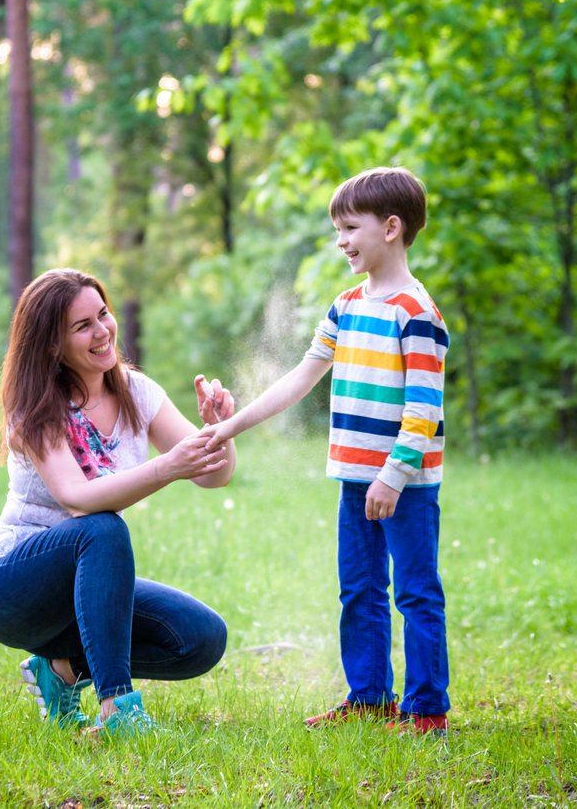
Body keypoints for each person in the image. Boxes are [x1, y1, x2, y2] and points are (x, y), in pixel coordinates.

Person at [203, 167, 451, 735]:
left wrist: (393, 475)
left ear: (391, 228)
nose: (341, 241)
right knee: (359, 589)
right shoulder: (346, 305)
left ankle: (426, 711)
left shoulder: (417, 313)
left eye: (349, 228)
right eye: (338, 229)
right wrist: (231, 426)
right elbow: (301, 377)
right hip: (354, 478)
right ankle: (369, 698)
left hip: (404, 485)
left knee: (416, 592)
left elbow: (424, 408)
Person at [0, 268, 237, 737]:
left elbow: (214, 474)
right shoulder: (36, 408)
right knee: (102, 526)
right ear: (53, 345)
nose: (102, 331)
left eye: (103, 314)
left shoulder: (137, 392)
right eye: (82, 325)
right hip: (10, 589)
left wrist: (219, 431)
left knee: (201, 637)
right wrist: (166, 467)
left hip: (88, 585)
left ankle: (61, 671)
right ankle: (118, 711)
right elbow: (77, 500)